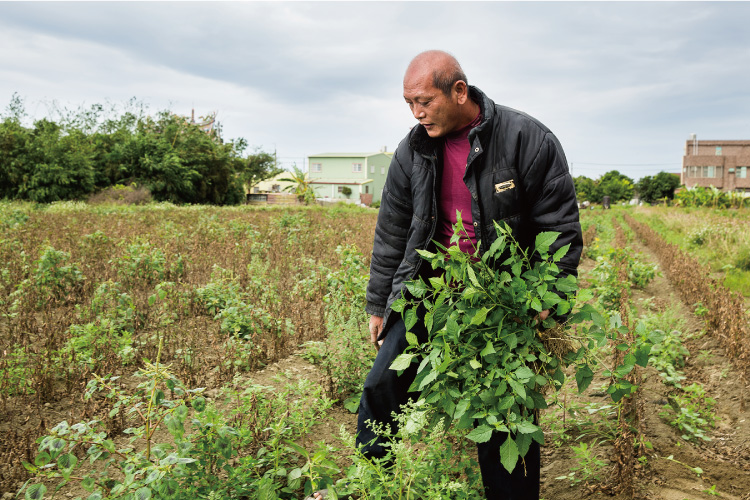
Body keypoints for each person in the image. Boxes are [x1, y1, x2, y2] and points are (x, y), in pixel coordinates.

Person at [311, 50, 582, 500]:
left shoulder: (526, 139)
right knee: (381, 386)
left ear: (459, 91)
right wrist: (379, 304)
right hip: (430, 290)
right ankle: (370, 485)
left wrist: (549, 303)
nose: (417, 114)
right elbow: (392, 231)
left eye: (424, 101)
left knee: (503, 411)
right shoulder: (413, 150)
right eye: (408, 104)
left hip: (501, 298)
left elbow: (560, 229)